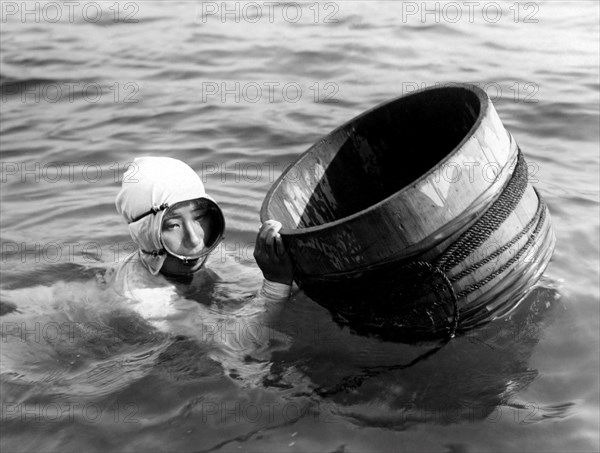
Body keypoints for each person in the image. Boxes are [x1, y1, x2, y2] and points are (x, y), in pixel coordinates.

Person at [110, 156, 295, 326]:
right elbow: (239, 345)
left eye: (199, 217)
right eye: (173, 225)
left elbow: (248, 282)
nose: (194, 239)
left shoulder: (197, 255)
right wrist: (275, 286)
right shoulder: (147, 300)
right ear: (147, 235)